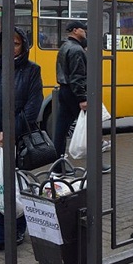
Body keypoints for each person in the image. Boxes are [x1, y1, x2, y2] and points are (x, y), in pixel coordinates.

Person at [0, 27, 43, 257]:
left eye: (15, 43)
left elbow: (32, 107)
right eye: (6, 43)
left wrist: (10, 132)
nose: (10, 48)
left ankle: (18, 230)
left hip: (18, 141)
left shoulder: (32, 70)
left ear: (23, 45)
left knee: (16, 188)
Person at [54, 20, 110, 173]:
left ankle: (57, 166)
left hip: (64, 90)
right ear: (75, 30)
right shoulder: (77, 50)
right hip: (75, 93)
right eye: (83, 29)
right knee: (92, 128)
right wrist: (82, 98)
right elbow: (77, 77)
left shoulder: (65, 46)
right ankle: (96, 164)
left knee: (61, 131)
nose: (85, 32)